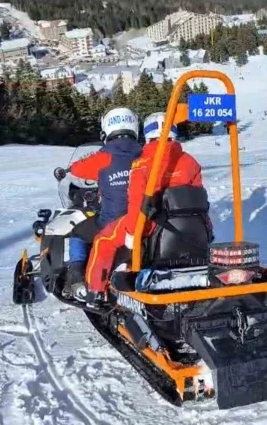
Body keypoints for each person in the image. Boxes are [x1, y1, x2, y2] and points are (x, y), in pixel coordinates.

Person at [86, 111, 211, 296]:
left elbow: (137, 202)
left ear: (148, 135)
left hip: (154, 223)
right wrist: (207, 226)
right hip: (194, 224)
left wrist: (131, 233)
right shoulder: (190, 162)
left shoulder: (143, 163)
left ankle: (95, 291)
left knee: (103, 240)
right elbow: (200, 197)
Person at [55, 107, 142, 300]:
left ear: (107, 128)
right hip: (143, 223)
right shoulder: (145, 153)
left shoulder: (103, 156)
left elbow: (78, 169)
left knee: (78, 231)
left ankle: (76, 275)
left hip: (113, 223)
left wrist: (69, 169)